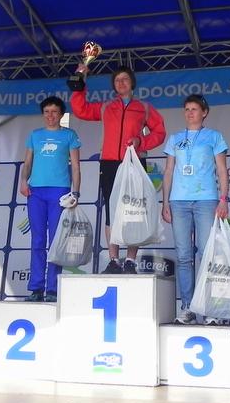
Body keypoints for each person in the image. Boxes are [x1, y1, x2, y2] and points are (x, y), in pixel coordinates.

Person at [71, 64, 166, 274]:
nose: (121, 83)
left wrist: (141, 141)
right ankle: (114, 260)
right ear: (114, 85)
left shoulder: (144, 108)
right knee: (111, 211)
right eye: (117, 80)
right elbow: (80, 109)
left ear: (132, 83)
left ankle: (130, 260)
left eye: (125, 79)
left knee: (134, 210)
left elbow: (160, 132)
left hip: (134, 163)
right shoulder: (106, 107)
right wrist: (80, 82)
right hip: (109, 164)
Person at [161, 94, 229, 325]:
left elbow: (222, 170)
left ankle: (210, 308)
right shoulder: (175, 138)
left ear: (204, 112)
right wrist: (165, 202)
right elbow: (168, 171)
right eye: (187, 109)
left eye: (194, 109)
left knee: (207, 254)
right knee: (183, 256)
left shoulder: (214, 136)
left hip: (206, 200)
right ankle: (187, 307)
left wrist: (223, 199)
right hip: (179, 201)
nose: (190, 113)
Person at [20, 96, 81, 302]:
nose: (50, 116)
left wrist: (75, 192)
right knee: (37, 240)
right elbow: (27, 163)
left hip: (59, 192)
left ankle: (53, 289)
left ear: (61, 114)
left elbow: (76, 166)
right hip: (36, 192)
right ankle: (36, 288)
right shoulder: (35, 135)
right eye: (46, 112)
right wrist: (23, 181)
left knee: (56, 240)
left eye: (54, 112)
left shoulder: (69, 135)